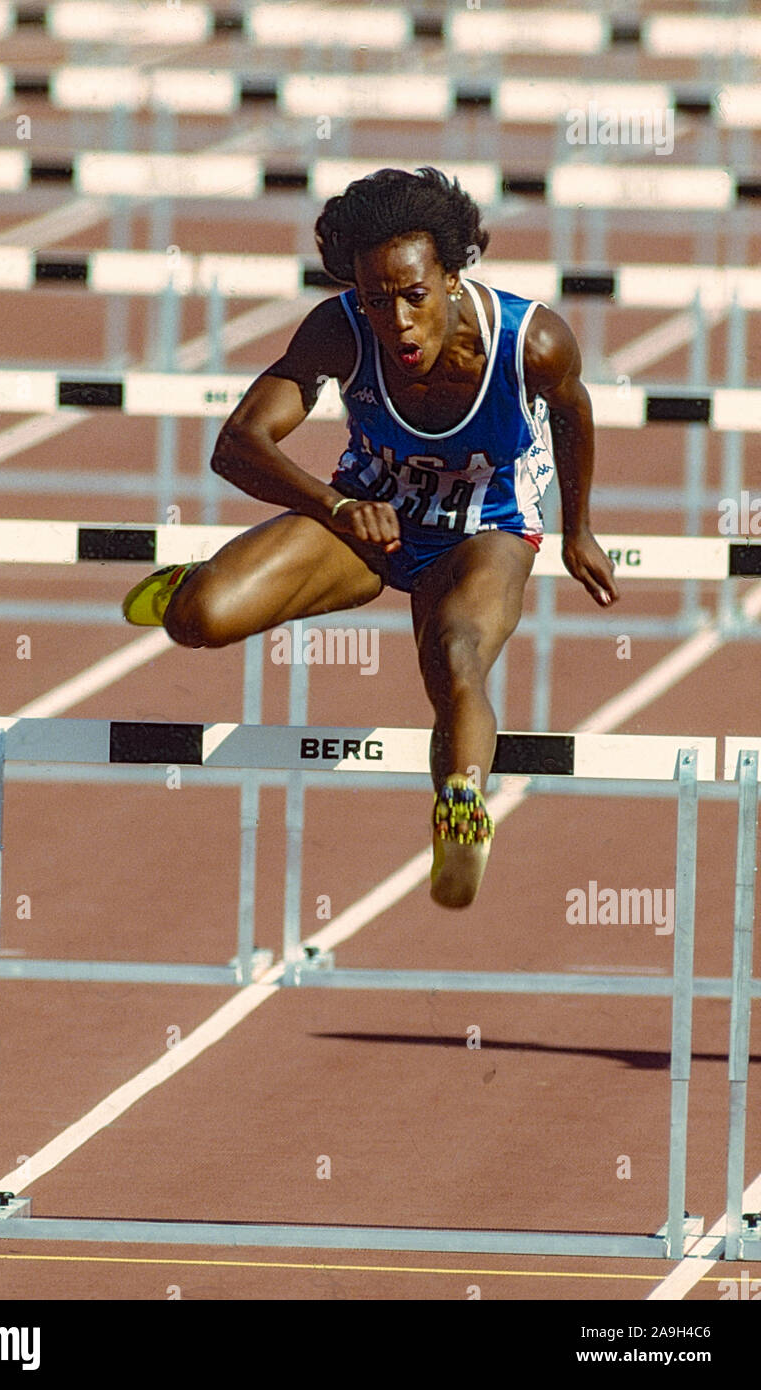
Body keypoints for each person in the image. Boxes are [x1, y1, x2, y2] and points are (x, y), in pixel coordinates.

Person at [122, 167, 619, 909]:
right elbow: (238, 443)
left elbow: (574, 415)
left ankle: (461, 805)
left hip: (485, 528)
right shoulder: (340, 331)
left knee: (456, 655)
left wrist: (578, 528)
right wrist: (334, 505)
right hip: (369, 519)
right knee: (202, 622)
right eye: (376, 301)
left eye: (414, 296)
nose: (396, 323)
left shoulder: (530, 340)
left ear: (453, 276)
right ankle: (198, 584)